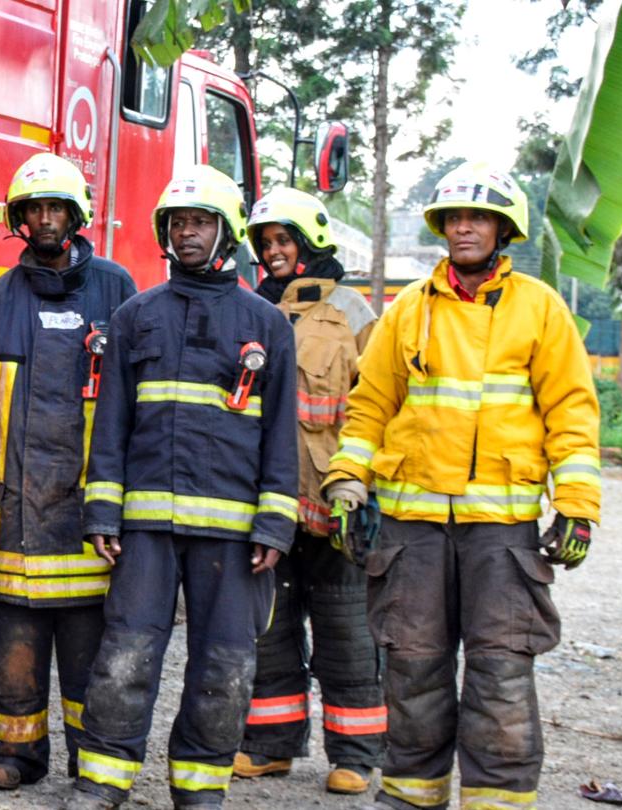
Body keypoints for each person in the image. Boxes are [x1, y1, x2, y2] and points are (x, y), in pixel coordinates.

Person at [323, 163, 599, 810]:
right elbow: (370, 407)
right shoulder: (408, 311)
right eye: (454, 218)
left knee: (501, 670)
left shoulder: (540, 310)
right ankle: (411, 794)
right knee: (413, 665)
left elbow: (572, 413)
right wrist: (346, 484)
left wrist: (578, 508)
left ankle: (496, 799)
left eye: (478, 218)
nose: (464, 228)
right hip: (410, 528)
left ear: (504, 230)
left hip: (501, 533)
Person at [69, 164, 300, 809]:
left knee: (224, 670)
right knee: (125, 659)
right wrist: (102, 513)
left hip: (233, 533)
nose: (187, 234)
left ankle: (200, 791)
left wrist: (275, 524)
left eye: (200, 223)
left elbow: (281, 432)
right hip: (145, 528)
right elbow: (110, 423)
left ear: (227, 234)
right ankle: (102, 782)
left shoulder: (268, 324)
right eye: (178, 224)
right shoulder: (137, 316)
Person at [0, 152, 136, 793]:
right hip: (17, 513)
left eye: (57, 207)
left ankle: (94, 759)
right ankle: (15, 754)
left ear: (76, 215)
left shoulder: (117, 292)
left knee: (89, 648)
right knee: (15, 646)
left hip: (88, 515)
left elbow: (135, 407)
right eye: (36, 209)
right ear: (20, 220)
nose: (47, 219)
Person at [232, 188, 385, 795]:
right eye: (265, 243)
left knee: (347, 630)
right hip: (267, 506)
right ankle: (270, 745)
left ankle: (356, 753)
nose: (272, 253)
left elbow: (378, 408)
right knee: (268, 630)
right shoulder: (246, 310)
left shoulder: (354, 314)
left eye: (283, 241)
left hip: (334, 504)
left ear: (311, 242)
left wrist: (363, 490)